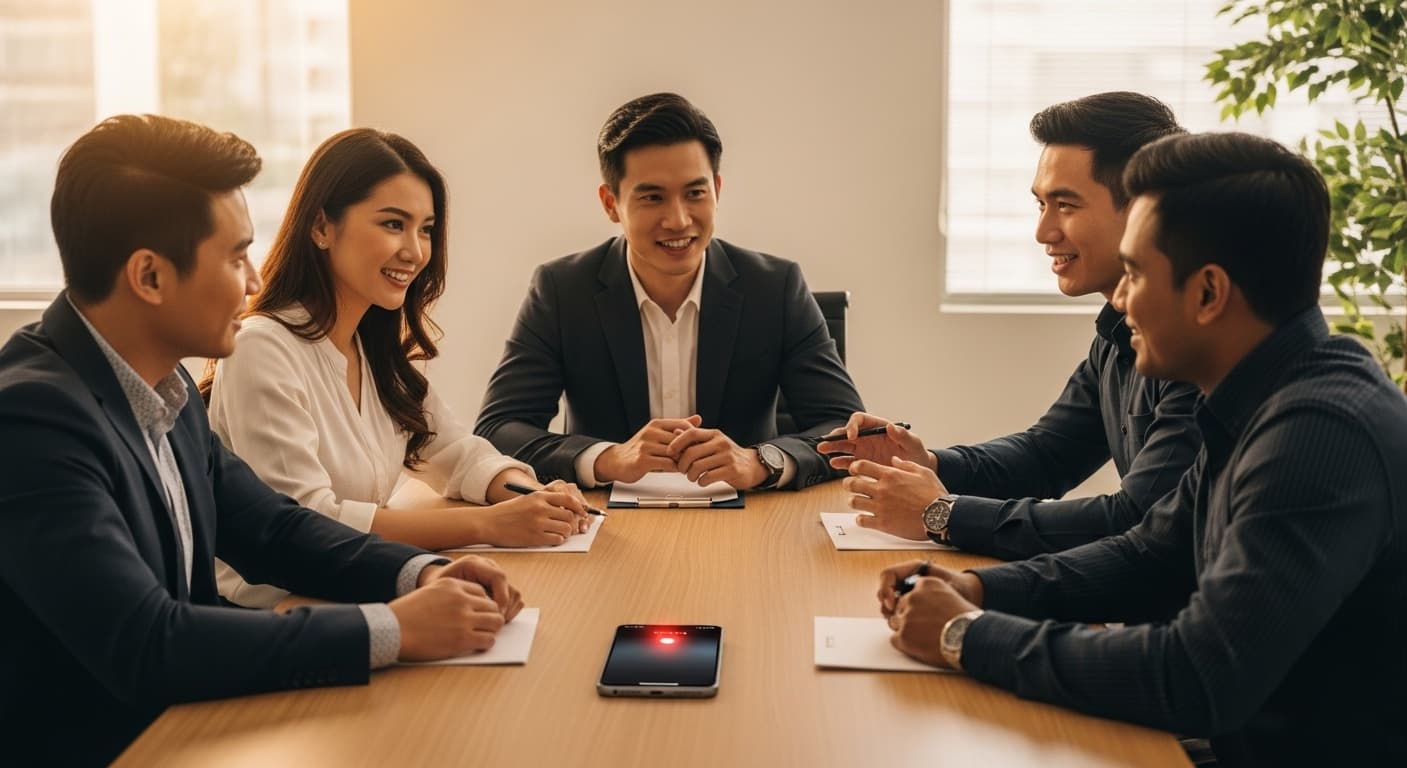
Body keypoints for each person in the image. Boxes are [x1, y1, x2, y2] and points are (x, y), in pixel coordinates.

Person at [0, 115, 525, 764]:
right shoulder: (32, 419)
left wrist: (420, 573)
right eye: (235, 255)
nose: (253, 282)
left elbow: (274, 528)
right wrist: (390, 630)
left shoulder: (170, 391)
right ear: (150, 276)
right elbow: (146, 644)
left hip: (192, 723)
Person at [876, 132, 1407, 765]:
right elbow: (1149, 554)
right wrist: (976, 589)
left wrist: (966, 635)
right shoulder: (1253, 397)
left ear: (1209, 293)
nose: (1119, 301)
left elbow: (1197, 675)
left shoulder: (1319, 433)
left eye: (1133, 274)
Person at [203, 128, 589, 608]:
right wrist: (487, 525)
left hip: (356, 592)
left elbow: (459, 453)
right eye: (393, 224)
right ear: (321, 226)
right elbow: (310, 520)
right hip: (280, 612)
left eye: (425, 228)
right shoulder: (262, 346)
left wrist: (530, 496)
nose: (415, 251)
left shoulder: (373, 349)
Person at [823, 92, 1201, 559]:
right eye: (1041, 205)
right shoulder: (1117, 332)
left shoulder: (1195, 346)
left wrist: (942, 513)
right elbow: (1047, 454)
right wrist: (929, 463)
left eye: (1065, 205)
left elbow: (1137, 519)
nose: (1044, 232)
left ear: (1143, 208)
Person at [475, 92, 864, 492]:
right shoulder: (561, 290)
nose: (678, 220)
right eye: (652, 197)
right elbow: (498, 429)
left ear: (716, 189)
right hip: (603, 526)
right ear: (612, 204)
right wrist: (608, 458)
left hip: (749, 522)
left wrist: (759, 461)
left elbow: (847, 427)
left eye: (695, 193)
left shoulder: (776, 286)